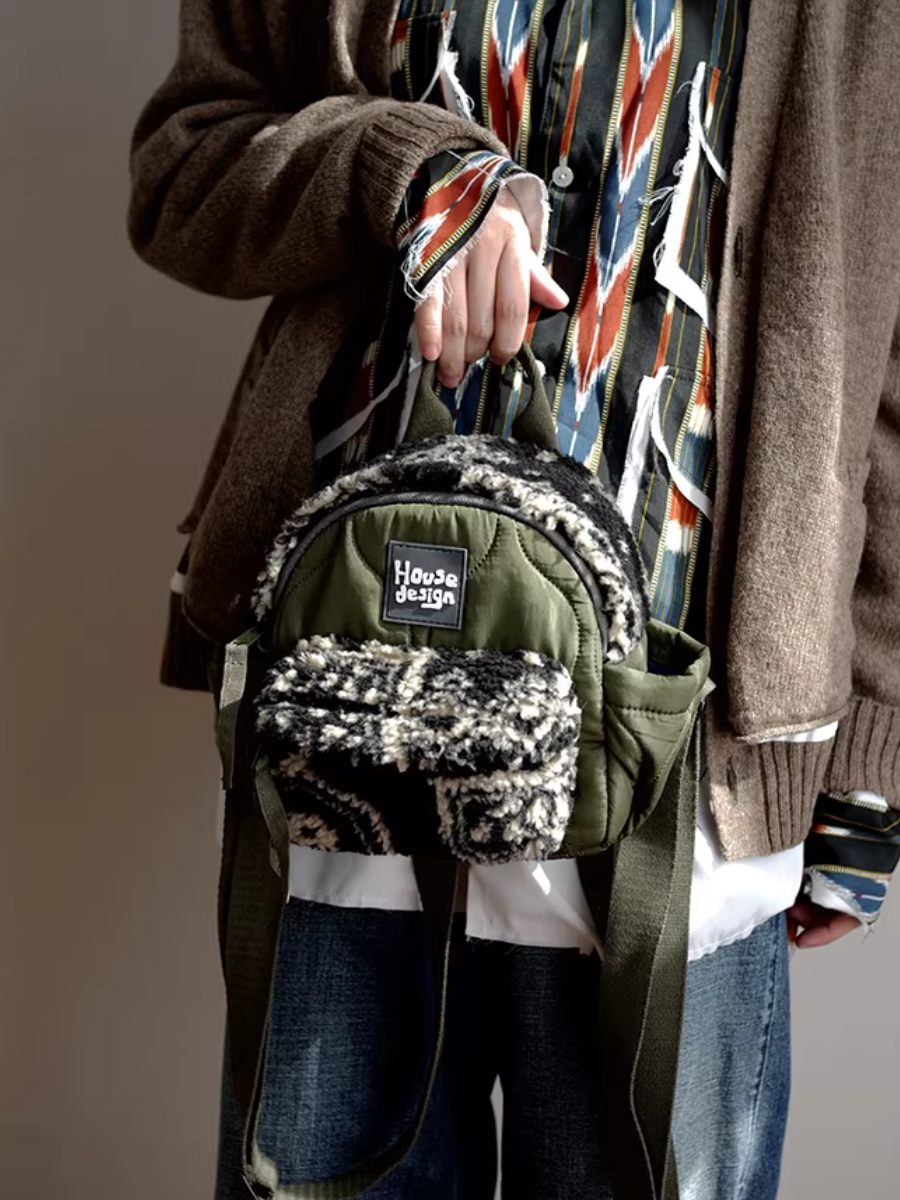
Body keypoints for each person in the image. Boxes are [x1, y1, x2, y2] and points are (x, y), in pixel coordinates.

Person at [129, 1, 900, 1197]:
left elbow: (885, 327)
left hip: (686, 783)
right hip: (349, 738)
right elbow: (184, 170)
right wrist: (402, 170)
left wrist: (871, 742)